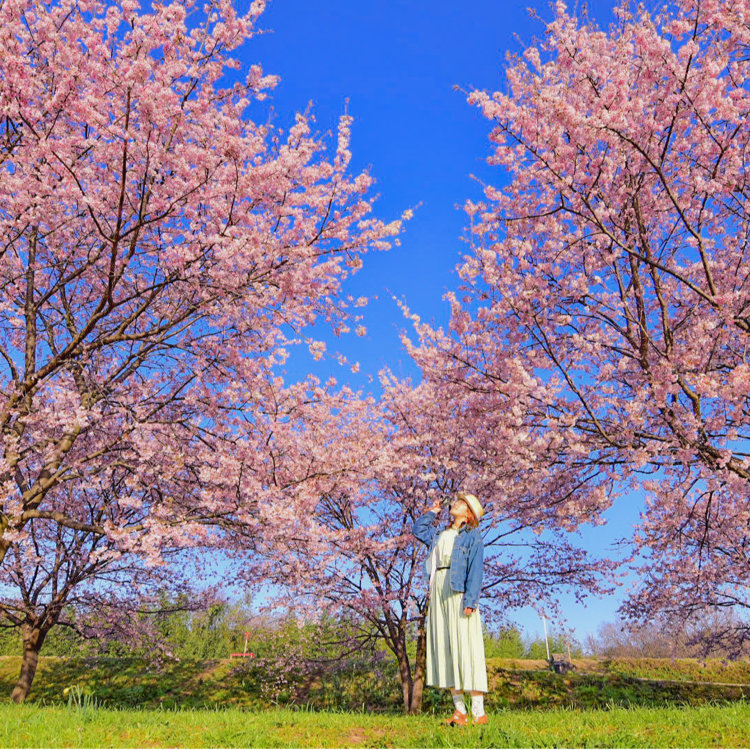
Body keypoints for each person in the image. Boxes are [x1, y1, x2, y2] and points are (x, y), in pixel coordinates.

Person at [412, 491, 488, 726]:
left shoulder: (472, 536)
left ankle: (478, 713)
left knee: (467, 648)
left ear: (468, 513)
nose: (455, 503)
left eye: (461, 503)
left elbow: (476, 570)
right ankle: (459, 711)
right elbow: (418, 530)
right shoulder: (440, 534)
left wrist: (470, 601)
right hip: (439, 591)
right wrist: (431, 513)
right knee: (445, 648)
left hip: (458, 592)